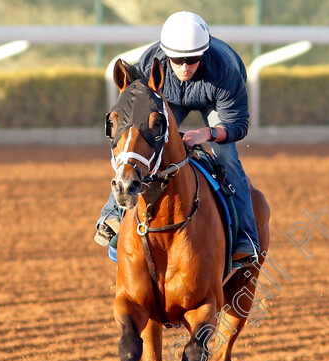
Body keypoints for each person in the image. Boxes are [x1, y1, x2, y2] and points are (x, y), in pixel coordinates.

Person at [95, 11, 260, 267]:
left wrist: (206, 133)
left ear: (203, 53)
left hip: (214, 100)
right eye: (177, 60)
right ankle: (112, 215)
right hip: (169, 99)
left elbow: (238, 125)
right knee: (137, 146)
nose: (185, 67)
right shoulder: (150, 61)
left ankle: (246, 238)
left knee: (225, 153)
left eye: (192, 59)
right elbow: (137, 112)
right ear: (165, 55)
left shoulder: (225, 71)